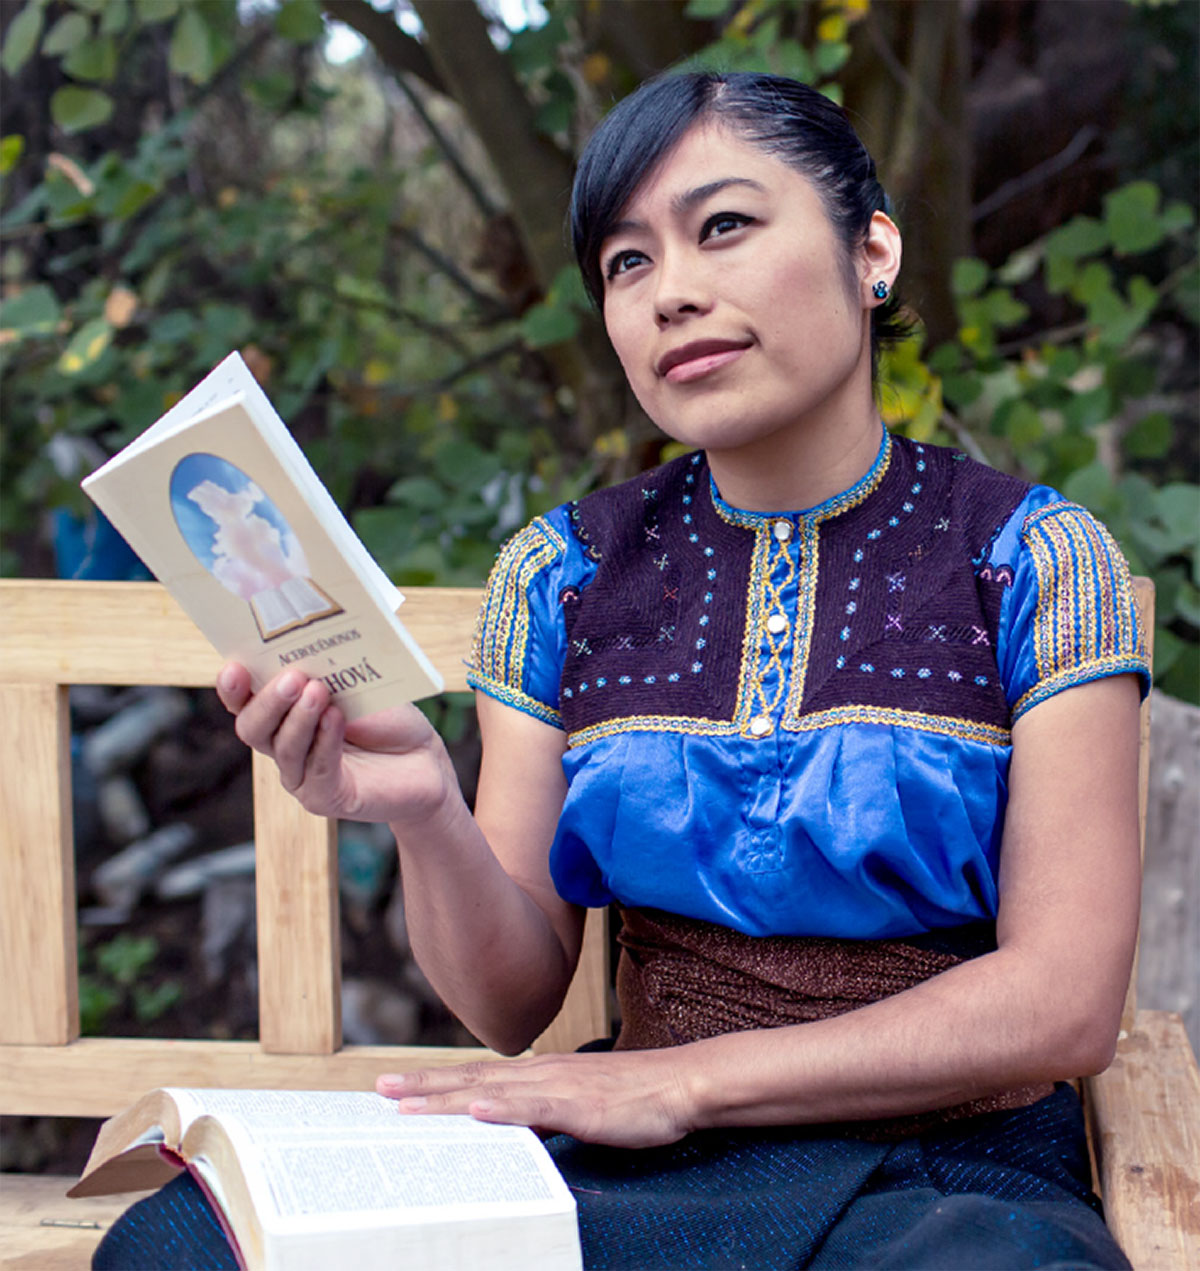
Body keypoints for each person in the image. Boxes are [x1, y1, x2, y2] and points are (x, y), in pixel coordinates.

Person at [95, 71, 1149, 1270]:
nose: (672, 292)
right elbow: (510, 1006)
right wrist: (428, 809)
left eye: (724, 225)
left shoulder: (1031, 557)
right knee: (178, 1248)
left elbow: (1064, 1000)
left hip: (943, 1174)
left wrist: (687, 1080)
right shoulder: (565, 575)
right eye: (627, 262)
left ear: (872, 251)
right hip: (633, 1165)